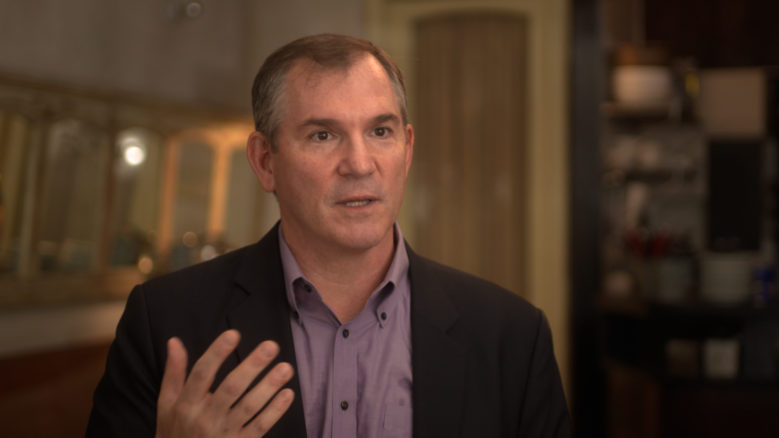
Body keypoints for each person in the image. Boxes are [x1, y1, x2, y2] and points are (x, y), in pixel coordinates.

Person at [86, 33, 571, 438]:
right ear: (264, 161)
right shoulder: (164, 322)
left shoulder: (511, 336)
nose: (360, 164)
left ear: (407, 149)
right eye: (323, 135)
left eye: (380, 132)